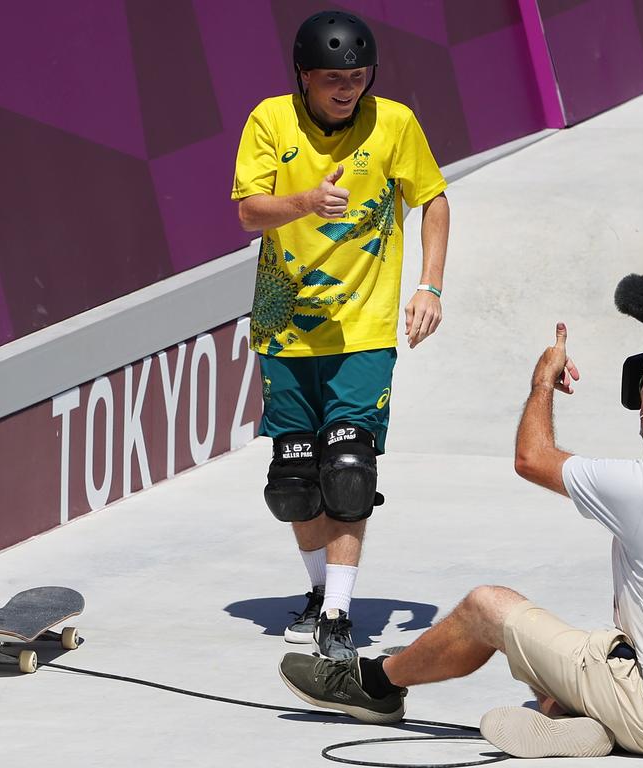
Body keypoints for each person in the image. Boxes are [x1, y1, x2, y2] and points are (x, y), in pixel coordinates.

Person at [278, 324, 643, 758]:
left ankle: (371, 685)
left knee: (487, 608)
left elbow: (531, 457)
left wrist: (543, 380)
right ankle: (575, 719)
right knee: (571, 649)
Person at [231, 10, 450, 661]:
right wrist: (303, 202)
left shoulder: (395, 123)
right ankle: (318, 588)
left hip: (364, 329)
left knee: (349, 469)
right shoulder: (270, 121)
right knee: (295, 480)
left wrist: (429, 286)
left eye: (356, 78)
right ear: (304, 76)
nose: (346, 90)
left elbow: (432, 199)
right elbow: (248, 211)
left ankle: (337, 614)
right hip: (284, 328)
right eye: (333, 80)